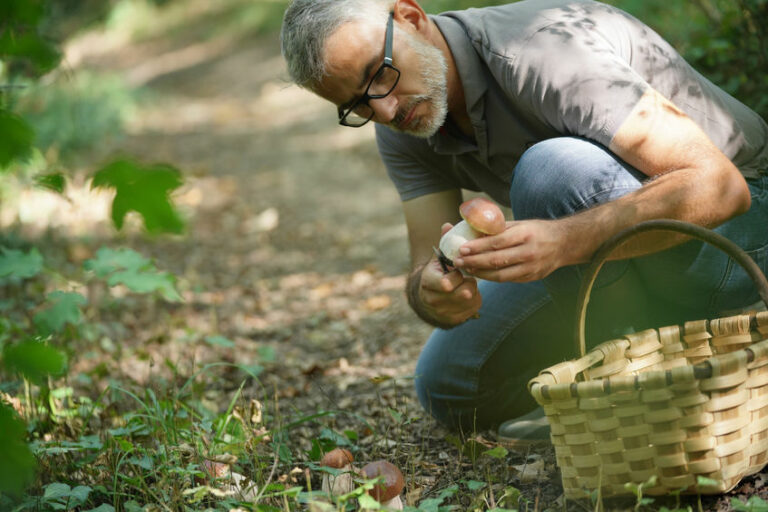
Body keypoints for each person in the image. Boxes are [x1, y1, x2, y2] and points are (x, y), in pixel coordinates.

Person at [280, 0, 768, 441]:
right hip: (623, 255)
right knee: (448, 384)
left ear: (410, 17)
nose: (384, 109)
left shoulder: (539, 50)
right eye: (357, 106)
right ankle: (625, 370)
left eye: (379, 74)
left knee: (551, 172)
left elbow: (721, 186)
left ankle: (636, 398)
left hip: (740, 240)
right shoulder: (402, 122)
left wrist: (564, 242)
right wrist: (434, 292)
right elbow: (422, 266)